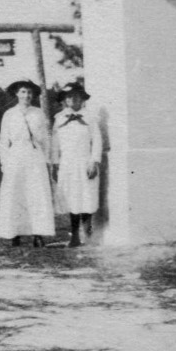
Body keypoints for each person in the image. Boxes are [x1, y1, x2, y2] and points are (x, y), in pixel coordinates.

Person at [0, 80, 55, 247]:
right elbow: (3, 141)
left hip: (35, 156)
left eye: (29, 92)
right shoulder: (9, 114)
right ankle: (14, 233)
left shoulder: (39, 114)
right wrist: (5, 163)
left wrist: (47, 159)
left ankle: (38, 234)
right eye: (23, 92)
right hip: (15, 156)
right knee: (15, 194)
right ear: (16, 94)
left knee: (37, 194)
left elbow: (45, 140)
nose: (26, 96)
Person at [50, 81, 103, 247]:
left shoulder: (90, 118)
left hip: (85, 162)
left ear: (82, 99)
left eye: (77, 96)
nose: (73, 100)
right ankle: (74, 236)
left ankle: (87, 233)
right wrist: (55, 164)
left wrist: (94, 161)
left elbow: (97, 141)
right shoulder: (59, 119)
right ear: (65, 100)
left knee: (87, 196)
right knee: (72, 197)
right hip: (67, 164)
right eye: (69, 97)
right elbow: (55, 144)